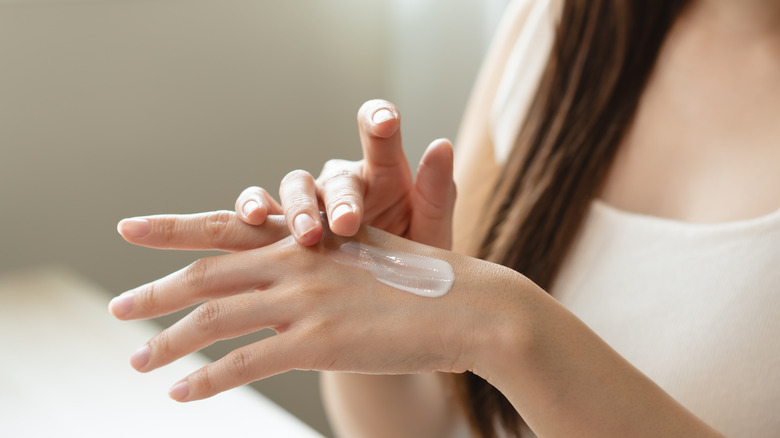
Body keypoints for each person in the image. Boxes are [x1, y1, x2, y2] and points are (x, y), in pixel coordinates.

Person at [109, 0, 780, 436]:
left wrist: (506, 328)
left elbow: (499, 329)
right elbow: (432, 427)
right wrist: (377, 284)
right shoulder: (559, 30)